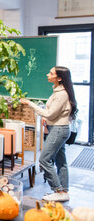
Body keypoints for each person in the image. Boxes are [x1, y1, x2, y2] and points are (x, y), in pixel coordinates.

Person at [21, 66, 77, 202]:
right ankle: (63, 190)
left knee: (44, 160)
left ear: (59, 78)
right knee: (60, 161)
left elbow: (49, 113)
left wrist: (30, 104)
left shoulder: (61, 94)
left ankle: (58, 190)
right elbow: (54, 114)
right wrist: (48, 119)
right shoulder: (59, 92)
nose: (47, 74)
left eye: (51, 73)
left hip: (59, 130)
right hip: (58, 128)